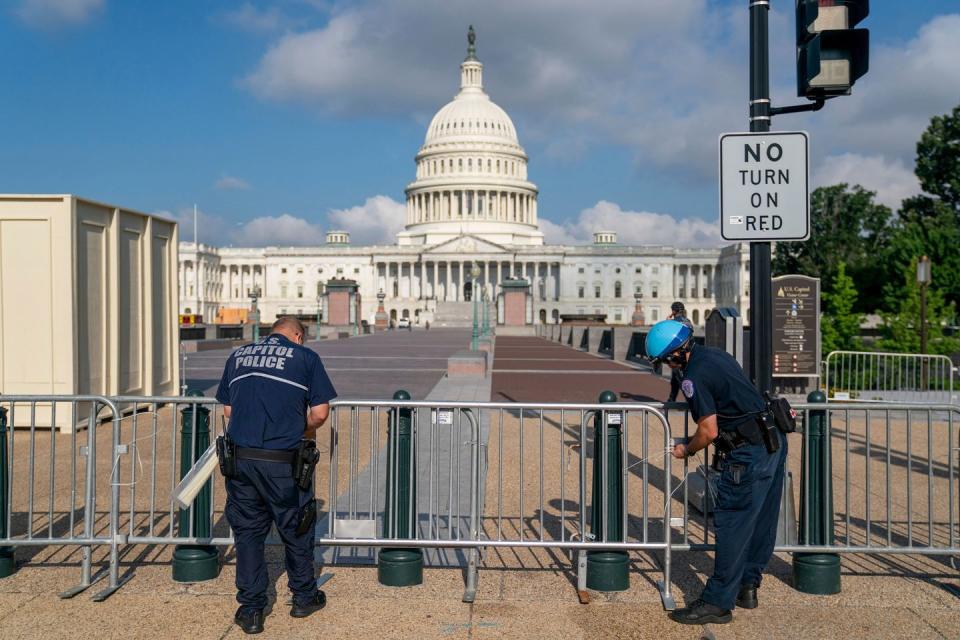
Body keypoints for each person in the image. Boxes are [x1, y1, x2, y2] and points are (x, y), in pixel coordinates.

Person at [644, 319, 787, 625]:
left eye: (666, 361)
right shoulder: (716, 354)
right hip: (772, 440)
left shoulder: (693, 376)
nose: (668, 366)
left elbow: (707, 430)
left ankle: (717, 602)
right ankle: (748, 586)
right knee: (762, 519)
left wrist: (687, 448)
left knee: (732, 523)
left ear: (675, 355)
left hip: (747, 452)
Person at [216, 317, 337, 634]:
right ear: (298, 336)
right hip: (283, 460)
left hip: (241, 459)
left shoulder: (239, 355)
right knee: (297, 526)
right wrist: (300, 426)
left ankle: (252, 609)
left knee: (248, 533)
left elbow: (228, 411)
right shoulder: (305, 357)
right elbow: (321, 413)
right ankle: (303, 597)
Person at [666, 302, 693, 403]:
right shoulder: (688, 321)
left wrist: (667, 322)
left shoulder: (673, 322)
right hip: (688, 354)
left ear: (673, 311)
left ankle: (691, 402)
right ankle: (671, 399)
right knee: (675, 380)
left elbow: (667, 336)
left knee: (681, 380)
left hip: (678, 355)